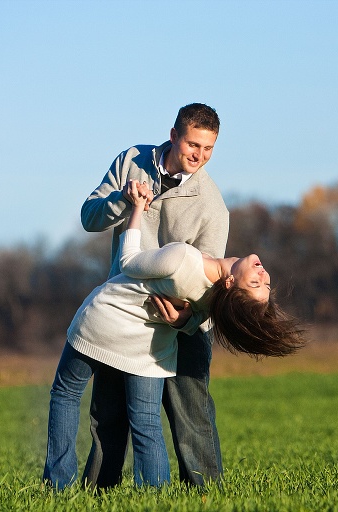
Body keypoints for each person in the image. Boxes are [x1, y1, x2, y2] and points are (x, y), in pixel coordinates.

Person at [42, 180, 303, 489]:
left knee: (66, 393)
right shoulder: (210, 303)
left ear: (232, 284)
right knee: (147, 425)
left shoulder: (183, 259)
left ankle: (58, 487)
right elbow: (192, 323)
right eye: (265, 283)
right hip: (149, 351)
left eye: (256, 284)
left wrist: (136, 209)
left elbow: (127, 261)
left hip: (104, 325)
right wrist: (184, 322)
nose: (264, 275)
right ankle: (157, 498)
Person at [79, 103, 229, 488]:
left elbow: (210, 288)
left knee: (191, 415)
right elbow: (89, 218)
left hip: (182, 323)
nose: (200, 156)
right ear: (174, 135)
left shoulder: (212, 206)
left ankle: (206, 495)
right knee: (108, 415)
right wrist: (124, 201)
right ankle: (97, 494)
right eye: (194, 144)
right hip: (124, 313)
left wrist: (186, 320)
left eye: (209, 149)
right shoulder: (131, 160)